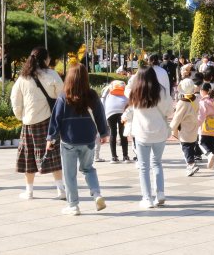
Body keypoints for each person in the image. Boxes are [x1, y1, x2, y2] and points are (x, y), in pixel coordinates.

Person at [46, 64, 110, 215]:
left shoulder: (64, 96)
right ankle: (96, 194)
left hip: (69, 140)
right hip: (88, 139)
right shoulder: (92, 95)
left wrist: (51, 137)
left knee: (69, 174)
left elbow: (56, 119)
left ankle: (73, 205)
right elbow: (100, 115)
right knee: (88, 168)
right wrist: (103, 133)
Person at [10, 47, 66, 200]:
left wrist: (21, 116)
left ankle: (29, 191)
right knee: (53, 155)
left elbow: (15, 99)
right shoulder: (52, 74)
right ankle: (60, 189)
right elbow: (62, 95)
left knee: (28, 156)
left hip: (28, 122)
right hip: (49, 121)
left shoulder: (23, 78)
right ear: (45, 59)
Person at [122, 67, 174, 209]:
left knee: (144, 167)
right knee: (157, 163)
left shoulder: (135, 92)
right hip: (159, 132)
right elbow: (170, 112)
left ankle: (147, 198)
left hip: (142, 133)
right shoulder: (162, 91)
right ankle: (160, 193)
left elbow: (126, 89)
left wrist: (132, 79)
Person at [170, 79, 201, 176]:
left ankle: (190, 165)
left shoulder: (182, 102)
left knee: (186, 146)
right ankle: (191, 162)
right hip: (194, 125)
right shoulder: (196, 99)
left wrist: (171, 128)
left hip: (185, 127)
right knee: (191, 145)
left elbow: (177, 117)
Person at [101, 80, 131, 164]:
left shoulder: (109, 91)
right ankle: (125, 156)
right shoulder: (124, 91)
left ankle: (114, 157)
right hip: (122, 110)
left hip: (110, 111)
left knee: (113, 133)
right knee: (123, 133)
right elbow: (129, 101)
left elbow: (103, 99)